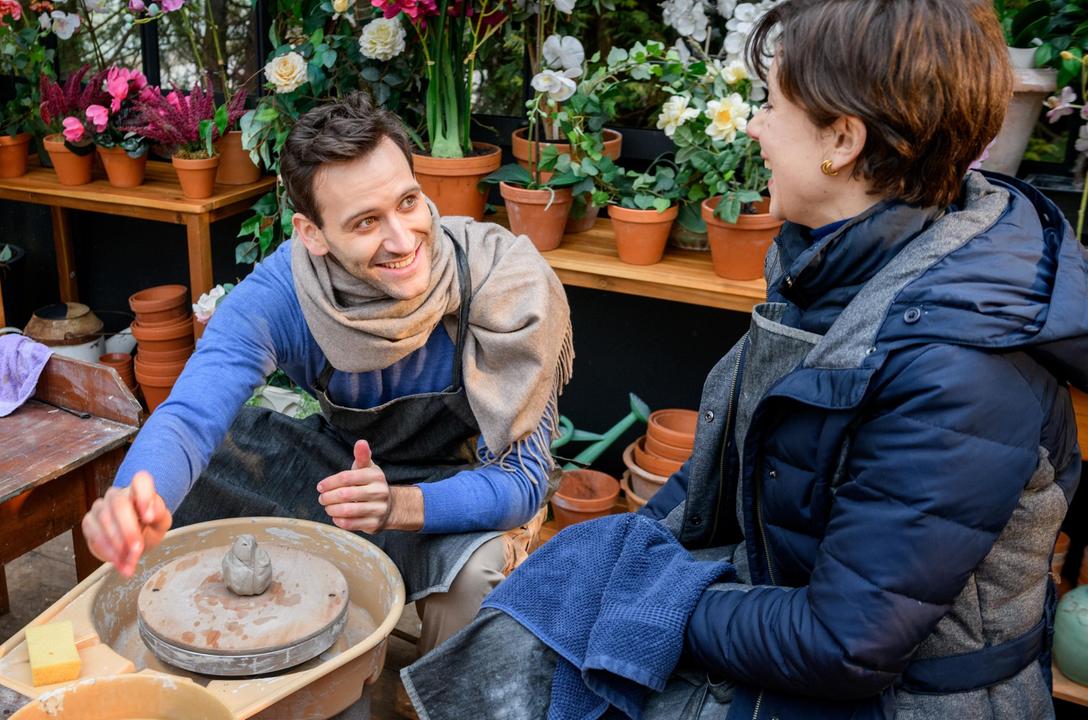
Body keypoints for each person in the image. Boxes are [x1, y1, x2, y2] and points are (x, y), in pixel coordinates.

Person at [402, 1, 1088, 718]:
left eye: (772, 104)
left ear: (842, 140)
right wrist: (619, 552)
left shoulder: (956, 371)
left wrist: (643, 602)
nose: (755, 125)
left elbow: (843, 643)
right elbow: (721, 472)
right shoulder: (835, 266)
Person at [78, 92, 574, 662]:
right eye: (366, 221)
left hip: (456, 486)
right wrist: (136, 496)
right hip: (347, 473)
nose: (403, 239)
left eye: (408, 202)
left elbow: (523, 481)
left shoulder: (501, 285)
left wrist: (397, 505)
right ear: (311, 234)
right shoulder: (284, 295)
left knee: (478, 574)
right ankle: (252, 664)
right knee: (212, 464)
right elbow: (191, 417)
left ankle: (435, 694)